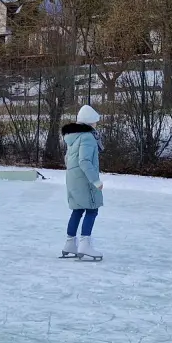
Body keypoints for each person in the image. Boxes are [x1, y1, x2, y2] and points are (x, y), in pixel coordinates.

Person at [61, 104, 103, 261]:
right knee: (92, 209)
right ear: (89, 122)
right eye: (95, 122)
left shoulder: (74, 136)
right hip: (85, 180)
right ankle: (85, 244)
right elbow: (85, 161)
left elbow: (67, 159)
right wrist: (96, 181)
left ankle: (70, 243)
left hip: (72, 178)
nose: (96, 124)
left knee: (78, 210)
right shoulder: (87, 137)